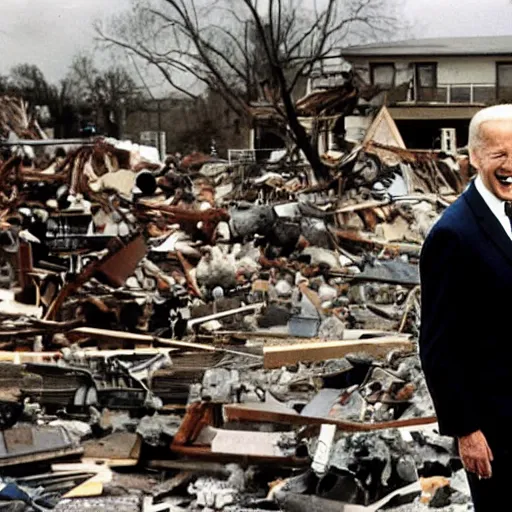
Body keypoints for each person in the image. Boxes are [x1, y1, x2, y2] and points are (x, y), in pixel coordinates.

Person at [419, 103, 512, 510]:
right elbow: (439, 345)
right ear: (473, 157)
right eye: (500, 155)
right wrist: (466, 430)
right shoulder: (453, 235)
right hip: (496, 429)